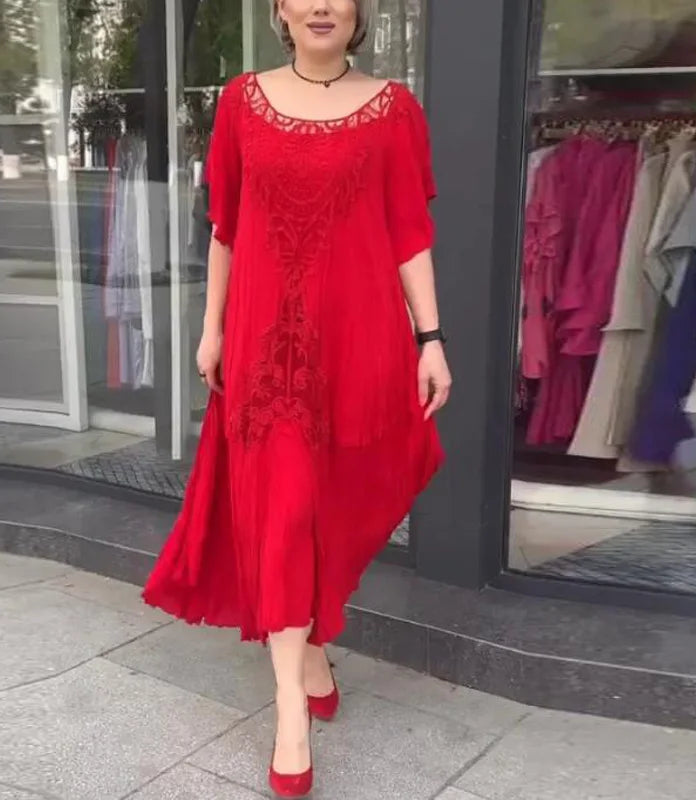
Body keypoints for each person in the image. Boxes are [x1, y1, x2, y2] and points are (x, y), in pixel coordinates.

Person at [143, 1, 451, 795]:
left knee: (333, 508)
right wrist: (211, 329)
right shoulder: (240, 102)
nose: (321, 5)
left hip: (357, 341)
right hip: (264, 348)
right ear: (280, 8)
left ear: (357, 11)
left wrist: (430, 338)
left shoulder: (393, 108)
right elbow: (226, 228)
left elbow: (409, 233)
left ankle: (313, 645)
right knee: (281, 515)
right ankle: (289, 707)